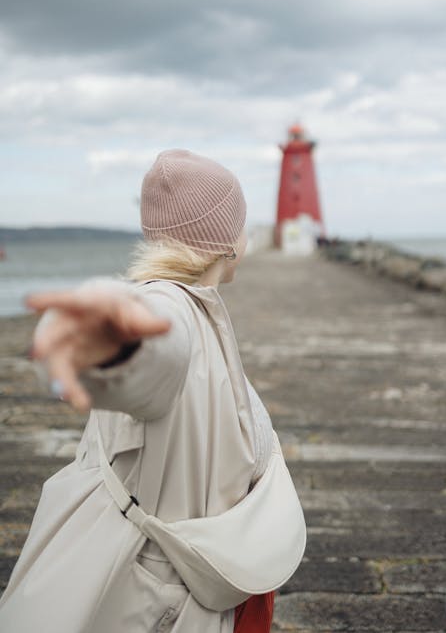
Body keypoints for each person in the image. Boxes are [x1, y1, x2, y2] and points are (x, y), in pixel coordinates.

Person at [0, 150, 305, 633]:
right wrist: (108, 345)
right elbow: (154, 351)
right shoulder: (169, 307)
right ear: (228, 241)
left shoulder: (196, 306)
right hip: (165, 596)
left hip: (185, 578)